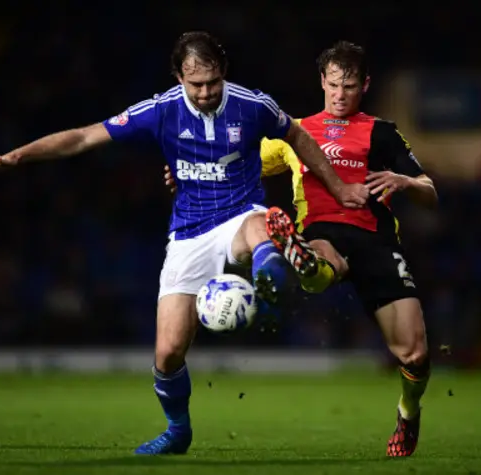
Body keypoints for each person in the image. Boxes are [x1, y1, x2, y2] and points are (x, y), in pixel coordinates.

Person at [0, 32, 368, 455]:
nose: (207, 92)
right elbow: (84, 137)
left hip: (240, 214)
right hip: (188, 233)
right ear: (179, 77)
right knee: (168, 352)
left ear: (224, 72)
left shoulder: (253, 105)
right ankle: (178, 431)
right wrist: (15, 157)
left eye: (213, 81)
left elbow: (298, 136)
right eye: (196, 84)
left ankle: (272, 282)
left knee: (264, 224)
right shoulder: (160, 111)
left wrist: (339, 187)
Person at [164, 40, 437, 457]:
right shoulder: (295, 133)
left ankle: (407, 412)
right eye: (332, 85)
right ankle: (302, 259)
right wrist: (184, 174)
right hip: (321, 232)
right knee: (320, 256)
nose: (339, 95)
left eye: (348, 86)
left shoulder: (382, 132)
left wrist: (405, 182)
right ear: (321, 83)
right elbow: (225, 159)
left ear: (364, 85)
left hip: (376, 241)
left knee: (415, 354)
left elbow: (430, 192)